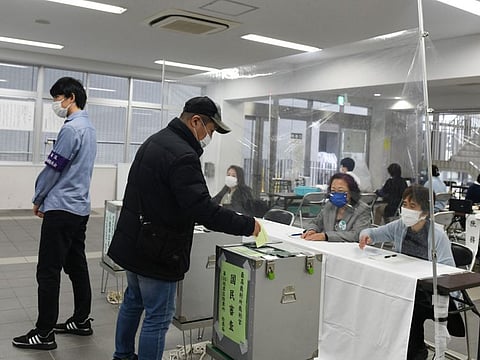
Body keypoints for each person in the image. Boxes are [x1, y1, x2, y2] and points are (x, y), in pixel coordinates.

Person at [107, 96, 261, 360]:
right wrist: (248, 224)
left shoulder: (154, 141)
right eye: (210, 130)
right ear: (196, 121)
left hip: (134, 240)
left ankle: (122, 356)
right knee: (158, 317)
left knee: (133, 301)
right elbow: (203, 210)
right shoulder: (183, 155)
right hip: (158, 248)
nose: (209, 137)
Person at [12, 77, 97, 350]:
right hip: (80, 207)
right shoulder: (89, 127)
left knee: (48, 271)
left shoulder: (71, 130)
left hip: (61, 208)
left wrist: (38, 198)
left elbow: (53, 168)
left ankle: (44, 332)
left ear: (70, 97)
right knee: (76, 266)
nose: (55, 104)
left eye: (57, 98)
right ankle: (81, 320)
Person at [359, 185, 464, 360]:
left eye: (412, 206)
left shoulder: (437, 236)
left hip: (433, 294)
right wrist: (366, 235)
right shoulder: (400, 226)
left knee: (407, 308)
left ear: (425, 212)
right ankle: (394, 347)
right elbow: (372, 233)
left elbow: (449, 275)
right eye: (405, 204)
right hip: (407, 286)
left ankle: (415, 351)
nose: (406, 209)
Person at [300, 172, 371, 242]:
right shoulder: (330, 205)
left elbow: (357, 235)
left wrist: (326, 236)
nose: (336, 194)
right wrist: (312, 230)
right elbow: (315, 222)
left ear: (351, 192)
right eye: (333, 191)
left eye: (340, 191)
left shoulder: (362, 209)